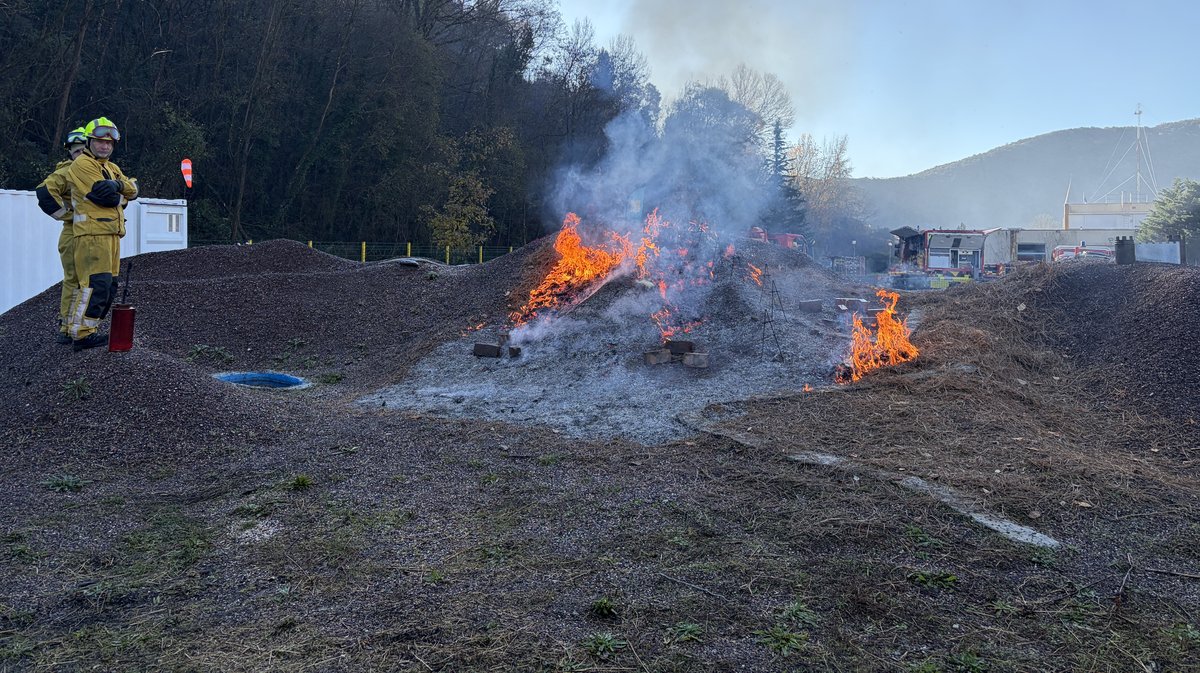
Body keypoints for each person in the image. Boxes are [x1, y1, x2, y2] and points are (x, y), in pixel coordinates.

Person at [64, 116, 138, 351]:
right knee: (96, 284)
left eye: (109, 143)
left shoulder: (111, 168)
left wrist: (119, 187)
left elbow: (134, 189)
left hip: (111, 233)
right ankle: (81, 335)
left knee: (109, 285)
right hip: (92, 233)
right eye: (99, 142)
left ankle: (88, 329)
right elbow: (104, 194)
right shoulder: (82, 165)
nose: (105, 146)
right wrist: (120, 191)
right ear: (89, 142)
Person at [35, 127, 88, 344]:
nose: (81, 156)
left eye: (84, 151)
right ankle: (75, 328)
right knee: (81, 280)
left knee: (75, 280)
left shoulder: (90, 171)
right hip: (76, 234)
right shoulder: (69, 172)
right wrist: (67, 216)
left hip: (80, 233)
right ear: (70, 153)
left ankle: (69, 326)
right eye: (77, 152)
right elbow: (44, 192)